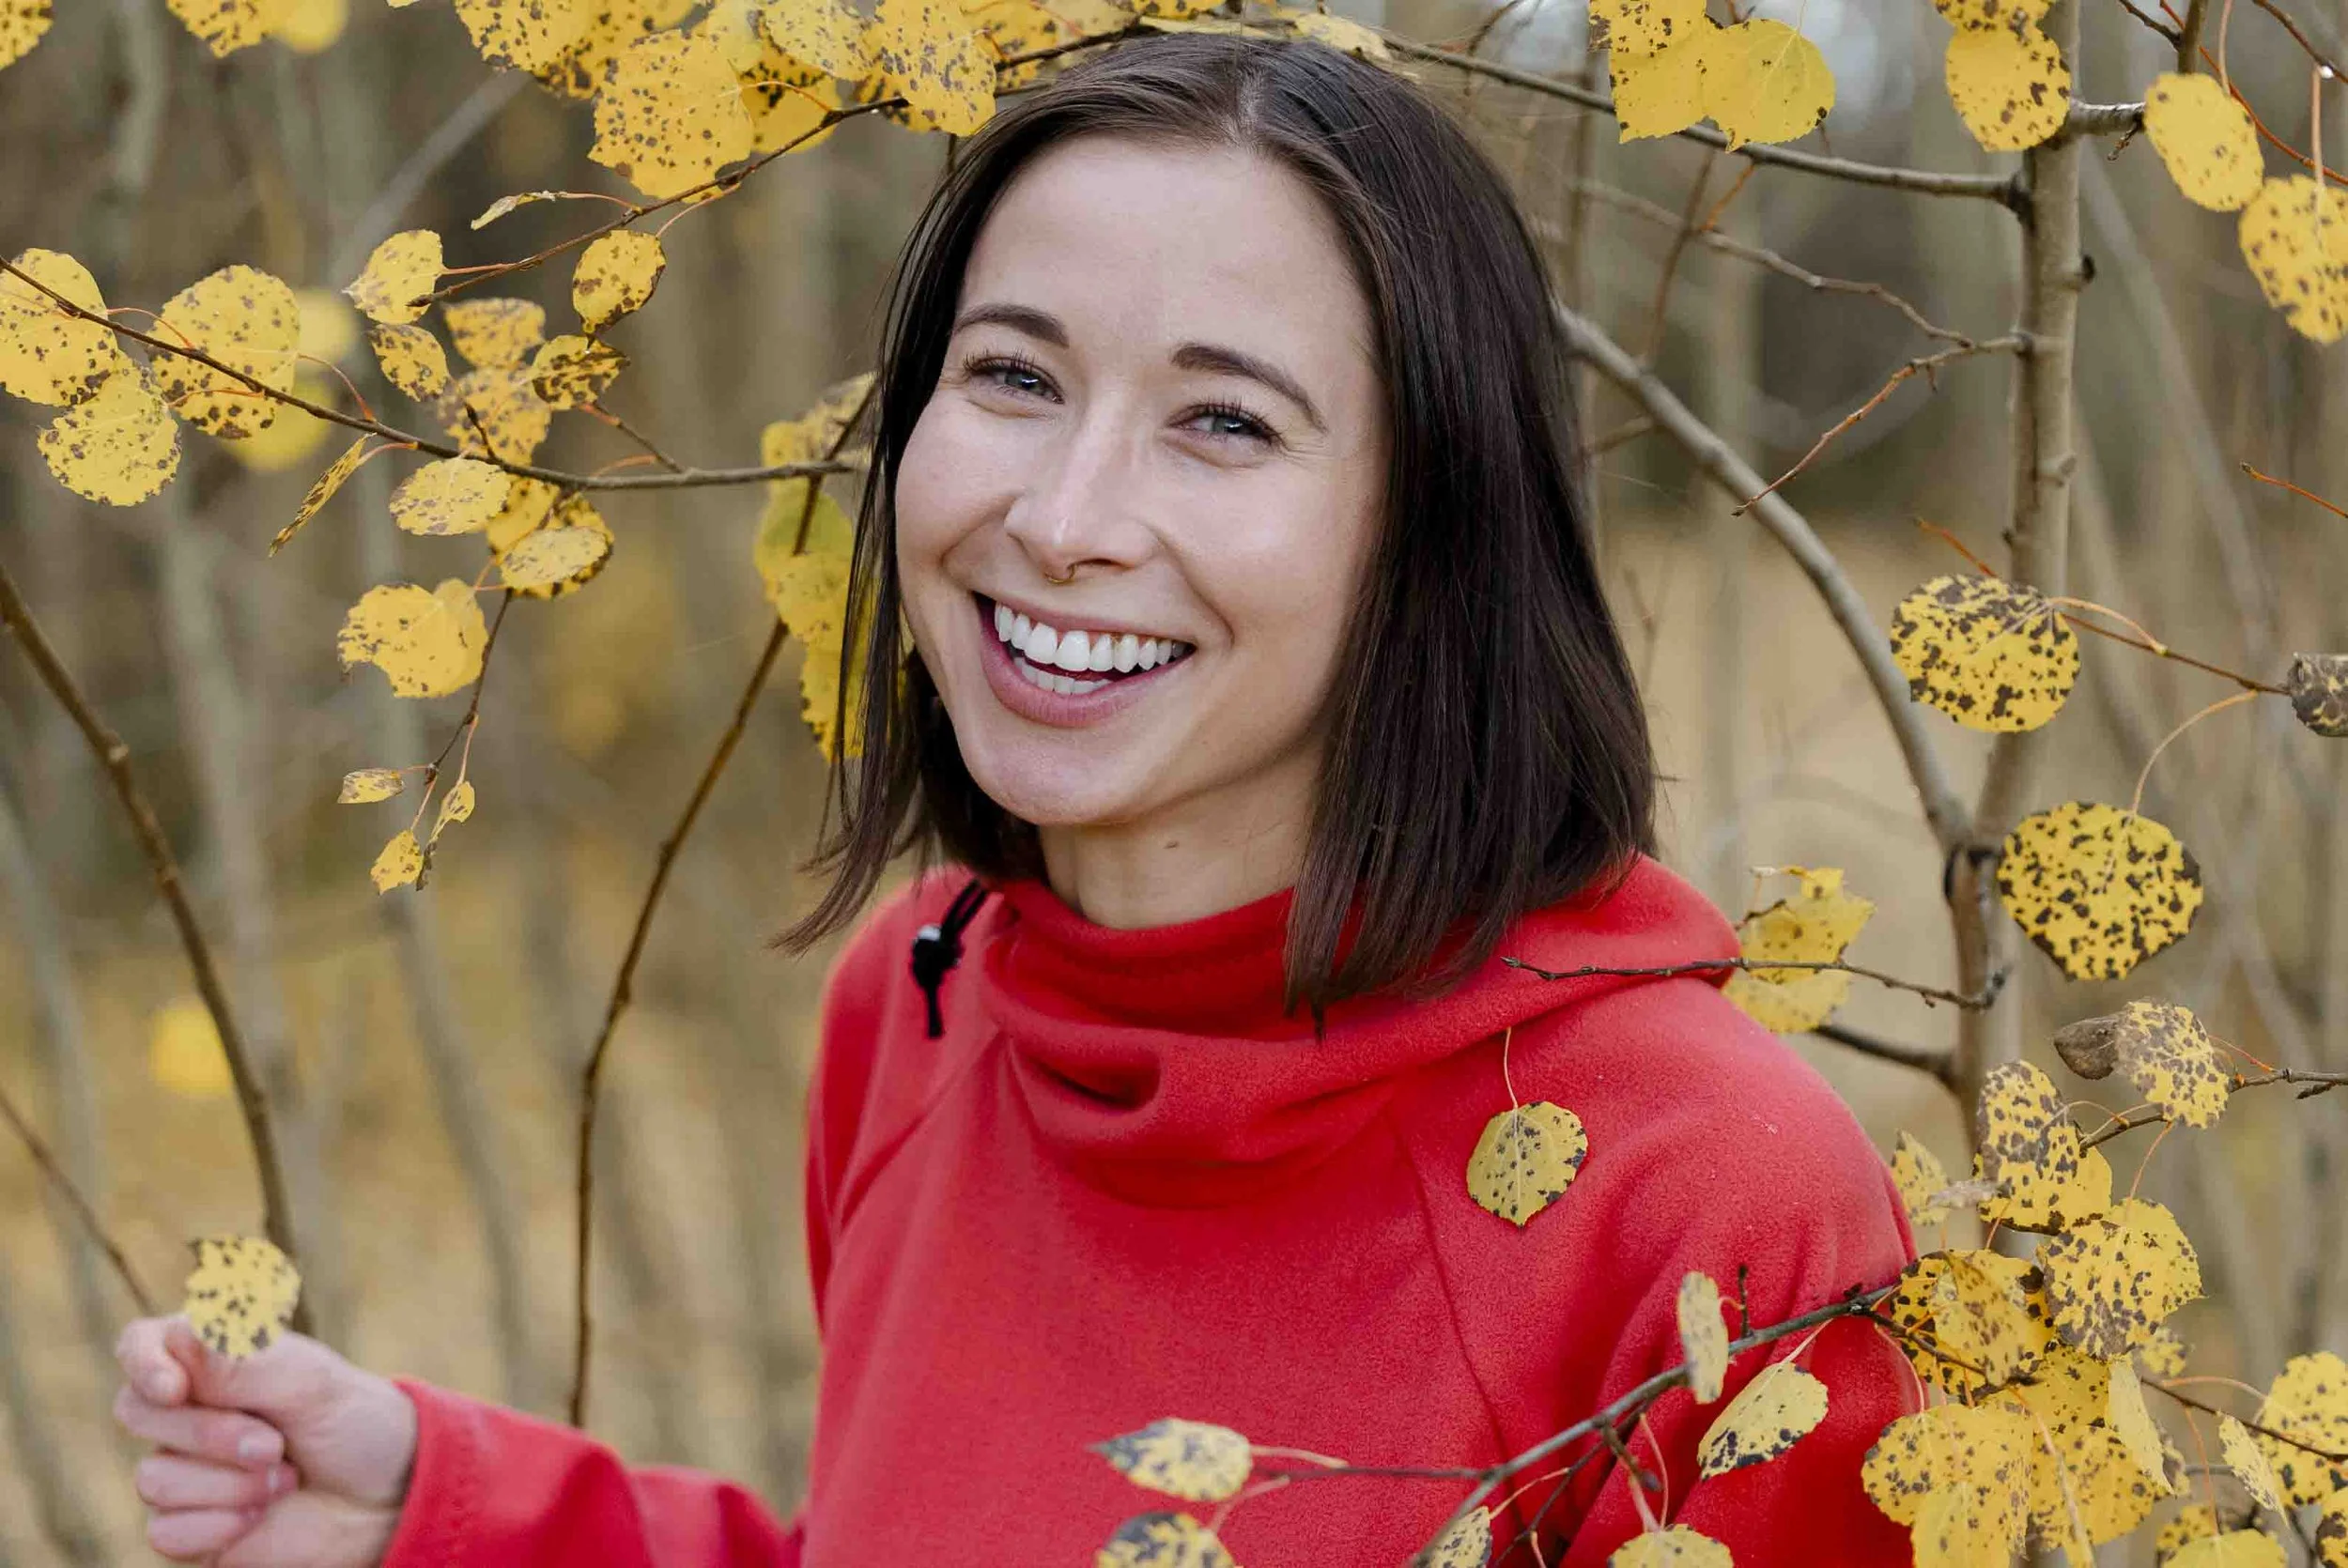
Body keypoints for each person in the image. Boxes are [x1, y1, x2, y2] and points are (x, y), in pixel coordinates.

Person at [109, 30, 1921, 1566]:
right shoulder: (917, 1002)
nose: (1061, 518)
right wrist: (438, 1512)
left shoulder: (1710, 1212)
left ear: (1435, 525)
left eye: (1224, 420)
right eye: (1013, 377)